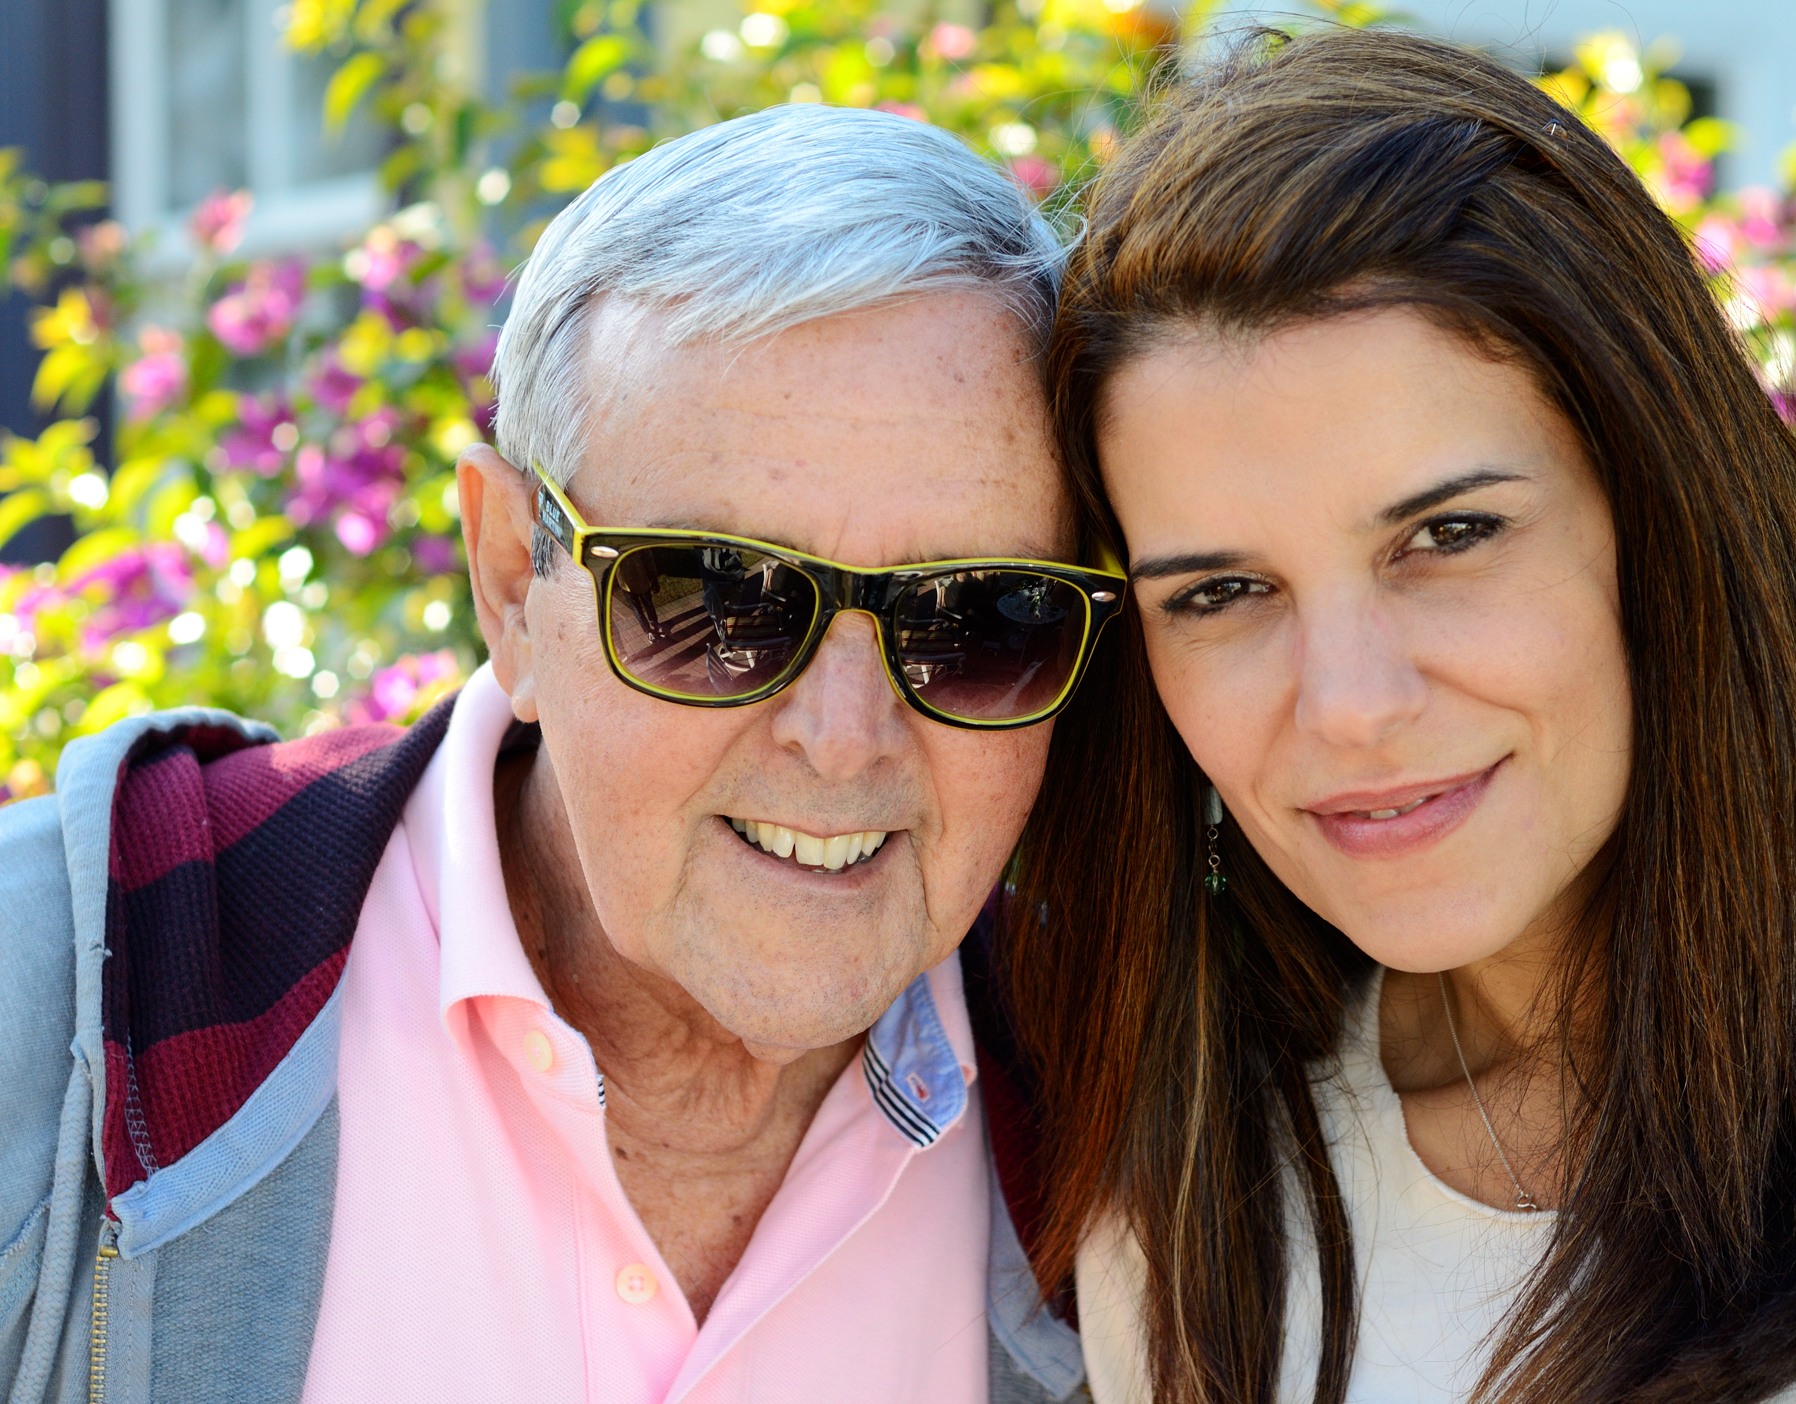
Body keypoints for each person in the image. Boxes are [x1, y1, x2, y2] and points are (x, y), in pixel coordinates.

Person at [1001, 28, 1796, 1404]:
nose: (1351, 707)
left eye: (1450, 534)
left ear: (1658, 519)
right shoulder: (1199, 1236)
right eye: (1221, 592)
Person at [0, 104, 1112, 1404]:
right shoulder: (58, 1003)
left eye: (976, 619)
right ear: (510, 585)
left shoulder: (1151, 1147)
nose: (843, 739)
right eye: (718, 599)